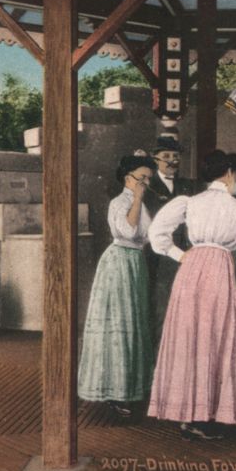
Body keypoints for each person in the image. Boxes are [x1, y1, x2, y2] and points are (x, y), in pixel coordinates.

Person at [147, 149, 236, 440]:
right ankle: (204, 417)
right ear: (228, 174)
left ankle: (187, 414)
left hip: (190, 271)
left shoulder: (189, 202)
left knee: (189, 338)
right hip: (217, 273)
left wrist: (178, 254)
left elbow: (157, 232)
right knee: (214, 338)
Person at [78, 152, 158, 416]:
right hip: (118, 262)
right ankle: (114, 392)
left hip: (135, 263)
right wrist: (136, 198)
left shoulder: (141, 203)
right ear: (128, 178)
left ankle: (130, 388)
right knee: (118, 322)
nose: (146, 182)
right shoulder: (119, 202)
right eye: (142, 178)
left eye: (149, 178)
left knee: (134, 322)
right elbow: (128, 232)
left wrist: (139, 200)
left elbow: (148, 236)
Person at [143, 133, 196, 345]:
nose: (172, 161)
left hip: (184, 255)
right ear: (155, 159)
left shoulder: (187, 186)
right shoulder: (147, 187)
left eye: (176, 156)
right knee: (161, 307)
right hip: (158, 258)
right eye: (166, 155)